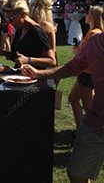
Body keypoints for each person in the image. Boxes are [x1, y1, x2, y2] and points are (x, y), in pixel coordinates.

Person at [21, 31, 104, 183]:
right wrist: (38, 73)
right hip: (97, 120)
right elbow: (71, 67)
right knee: (76, 173)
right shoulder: (95, 42)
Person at [68, 5, 104, 134]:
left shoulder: (94, 33)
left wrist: (77, 51)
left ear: (93, 16)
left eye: (88, 12)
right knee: (73, 99)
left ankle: (91, 134)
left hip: (88, 75)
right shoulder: (93, 32)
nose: (85, 15)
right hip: (85, 73)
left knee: (90, 109)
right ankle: (80, 129)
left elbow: (86, 55)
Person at [0, 0, 56, 69]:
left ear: (23, 14)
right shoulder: (20, 28)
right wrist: (4, 53)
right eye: (7, 18)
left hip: (33, 77)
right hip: (20, 76)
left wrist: (28, 60)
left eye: (11, 18)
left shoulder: (36, 31)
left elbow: (52, 61)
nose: (9, 22)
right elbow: (19, 56)